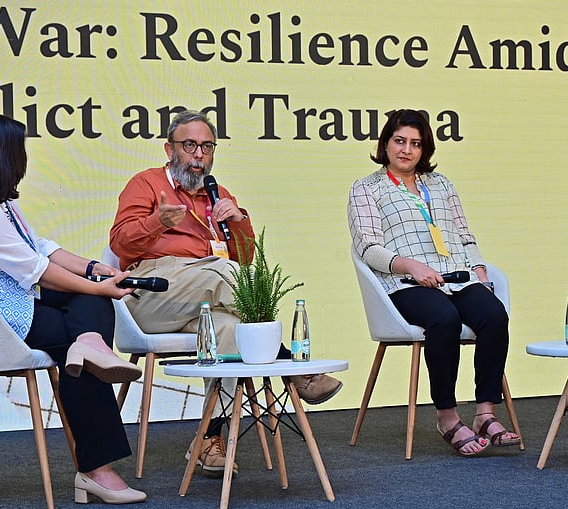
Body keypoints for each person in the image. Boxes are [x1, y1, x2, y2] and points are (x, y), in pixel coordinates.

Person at [0, 113, 146, 504]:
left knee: (87, 311)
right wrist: (104, 288)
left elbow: (39, 247)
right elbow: (37, 271)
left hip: (3, 300)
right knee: (88, 316)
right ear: (1, 155)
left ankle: (88, 345)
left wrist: (96, 271)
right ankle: (96, 468)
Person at [110, 110, 342, 475]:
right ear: (170, 149)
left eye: (206, 146)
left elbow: (246, 260)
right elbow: (120, 244)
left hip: (202, 299)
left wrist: (238, 221)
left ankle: (208, 438)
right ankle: (293, 367)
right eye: (189, 146)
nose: (198, 155)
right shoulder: (146, 183)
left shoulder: (217, 195)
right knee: (224, 272)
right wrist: (158, 222)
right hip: (151, 294)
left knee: (234, 332)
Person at [347, 109, 521, 457]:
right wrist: (409, 264)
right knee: (444, 319)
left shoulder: (440, 185)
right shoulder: (366, 188)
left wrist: (481, 273)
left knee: (494, 314)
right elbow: (367, 246)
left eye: (415, 143)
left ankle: (486, 412)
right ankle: (447, 417)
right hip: (405, 283)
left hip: (457, 275)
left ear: (424, 149)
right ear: (385, 144)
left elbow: (463, 234)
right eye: (399, 141)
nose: (406, 150)